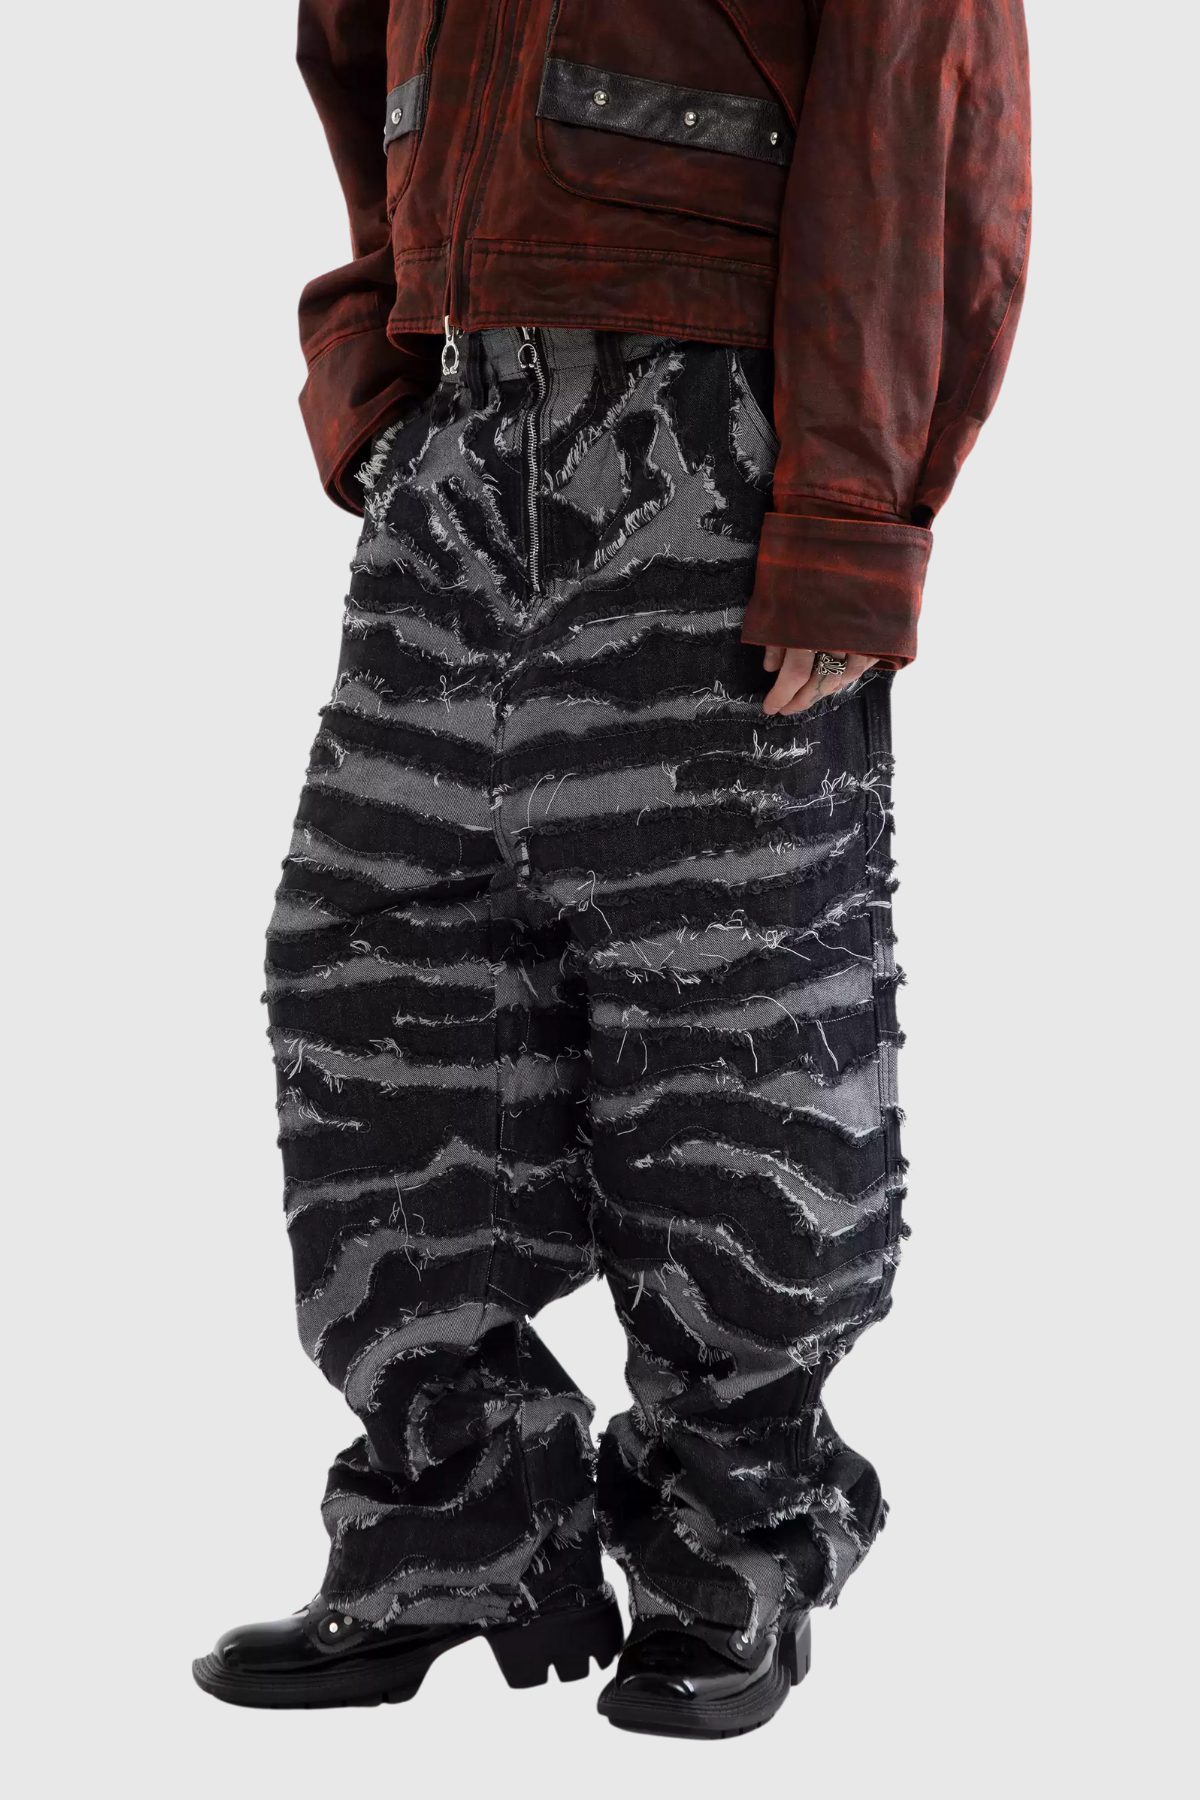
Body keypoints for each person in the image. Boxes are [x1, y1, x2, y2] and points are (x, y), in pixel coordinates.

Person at [192, 0, 1030, 1738]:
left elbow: (928, 109)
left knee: (733, 1014)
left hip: (722, 442)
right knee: (375, 976)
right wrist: (377, 373)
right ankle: (460, 1525)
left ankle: (740, 1542)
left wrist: (851, 511)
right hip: (464, 439)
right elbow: (355, 61)